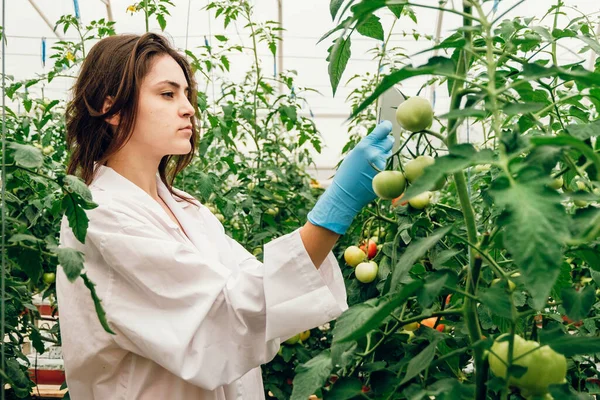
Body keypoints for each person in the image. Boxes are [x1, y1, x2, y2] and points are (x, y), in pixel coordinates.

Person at [56, 32, 394, 400]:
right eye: (168, 94)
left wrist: (332, 214)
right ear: (114, 110)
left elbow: (262, 290)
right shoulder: (101, 216)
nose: (188, 108)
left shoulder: (186, 209)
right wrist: (335, 209)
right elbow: (225, 318)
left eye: (186, 94)